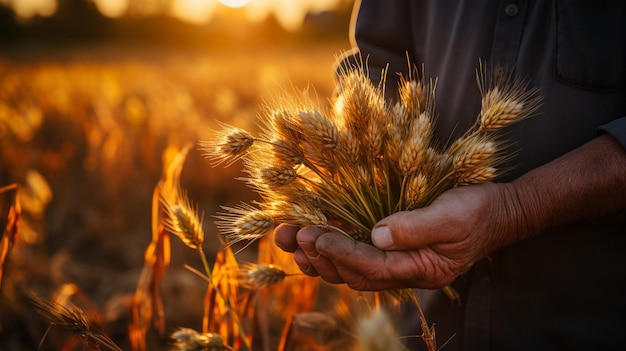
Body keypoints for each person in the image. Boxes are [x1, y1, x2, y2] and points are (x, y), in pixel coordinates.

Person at [274, 0, 626, 350]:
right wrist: (363, 171)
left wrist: (516, 207)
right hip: (430, 324)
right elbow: (378, 64)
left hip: (591, 322)